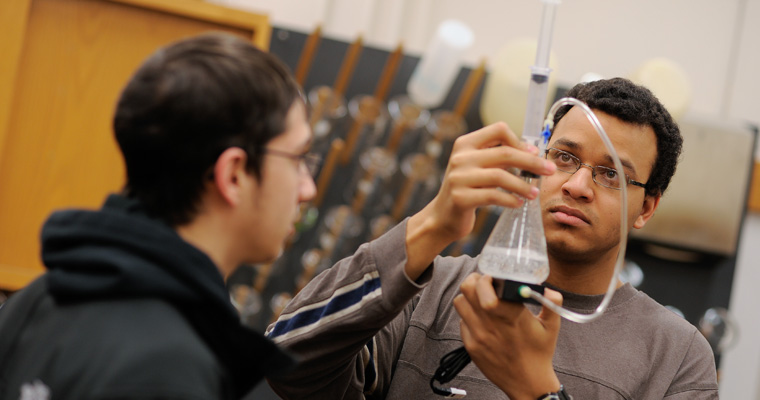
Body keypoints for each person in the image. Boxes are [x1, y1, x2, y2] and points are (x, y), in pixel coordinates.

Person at [266, 78, 719, 399]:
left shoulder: (675, 357)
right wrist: (435, 223)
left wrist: (537, 391)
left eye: (610, 175)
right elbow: (287, 361)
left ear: (647, 207)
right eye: (563, 157)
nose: (578, 185)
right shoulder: (434, 291)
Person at [0, 33, 319, 399]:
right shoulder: (168, 367)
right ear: (233, 174)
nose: (307, 188)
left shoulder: (35, 301)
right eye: (297, 159)